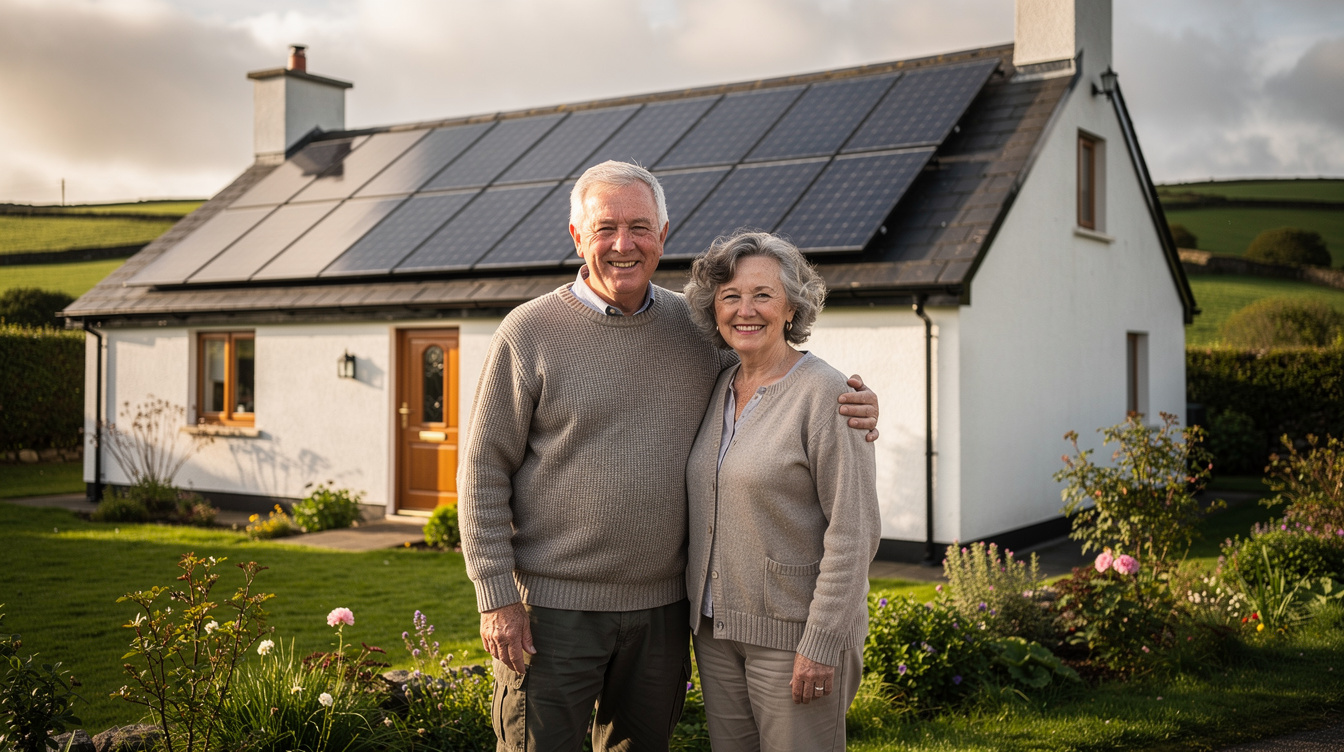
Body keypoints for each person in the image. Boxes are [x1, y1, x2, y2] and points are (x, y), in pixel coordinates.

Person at [458, 161, 878, 752]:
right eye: (605, 228)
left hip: (663, 612)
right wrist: (496, 595)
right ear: (577, 236)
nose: (623, 245)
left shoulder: (697, 326)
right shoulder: (527, 332)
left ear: (664, 233)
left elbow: (775, 377)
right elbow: (481, 472)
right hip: (554, 612)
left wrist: (853, 401)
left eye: (640, 227)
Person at [682, 231, 880, 751]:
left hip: (793, 637)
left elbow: (854, 532)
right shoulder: (719, 383)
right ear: (714, 309)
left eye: (763, 295)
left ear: (792, 306)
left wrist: (821, 642)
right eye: (730, 297)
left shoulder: (826, 394)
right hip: (717, 632)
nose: (745, 310)